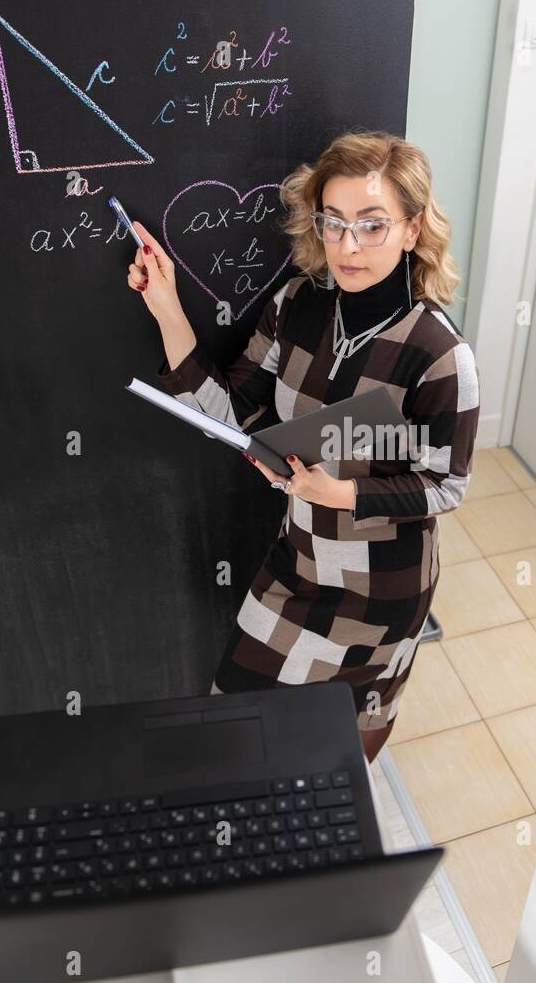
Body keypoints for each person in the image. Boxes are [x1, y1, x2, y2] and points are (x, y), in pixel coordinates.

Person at [127, 130, 480, 763]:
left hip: (382, 586)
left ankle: (323, 827)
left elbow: (446, 485)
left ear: (411, 229)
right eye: (333, 223)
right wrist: (166, 307)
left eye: (372, 226)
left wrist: (338, 491)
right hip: (301, 561)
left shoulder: (440, 354)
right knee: (234, 711)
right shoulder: (297, 305)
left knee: (341, 738)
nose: (348, 246)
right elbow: (229, 411)